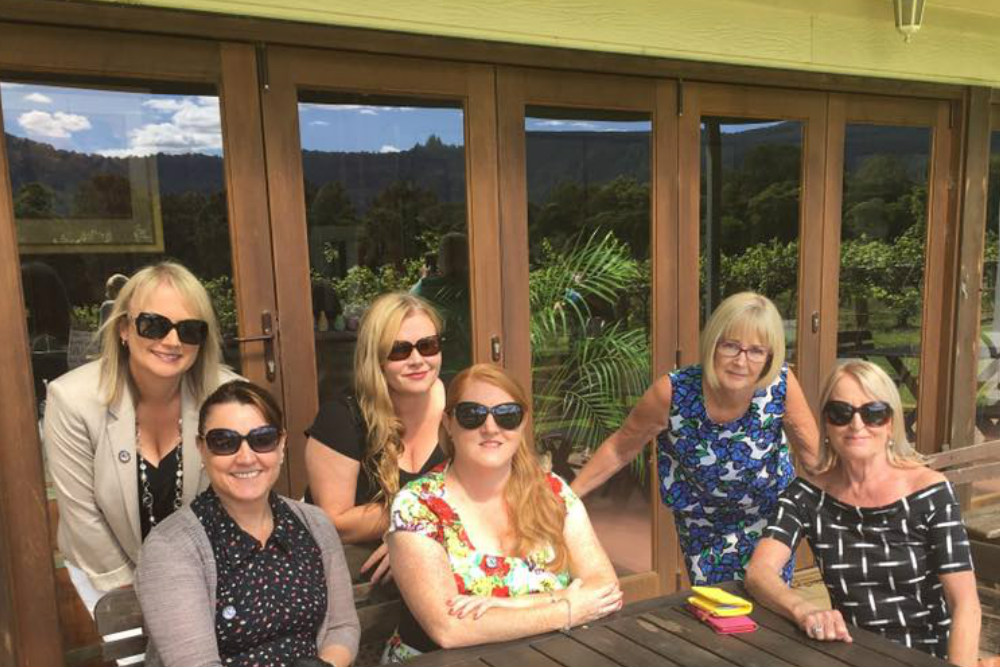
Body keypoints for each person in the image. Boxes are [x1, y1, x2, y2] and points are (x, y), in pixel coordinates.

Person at [571, 291, 819, 585]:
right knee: (718, 610)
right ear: (713, 344)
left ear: (769, 357)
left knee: (766, 601)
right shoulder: (674, 392)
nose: (741, 361)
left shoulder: (781, 386)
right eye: (731, 346)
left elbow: (813, 458)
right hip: (703, 527)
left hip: (769, 518)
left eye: (756, 351)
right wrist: (566, 497)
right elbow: (620, 448)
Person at [746, 360, 981, 666]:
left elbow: (964, 604)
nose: (857, 425)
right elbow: (759, 572)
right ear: (826, 425)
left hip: (927, 656)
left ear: (891, 423)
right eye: (841, 414)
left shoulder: (931, 492)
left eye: (873, 413)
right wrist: (803, 609)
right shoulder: (806, 497)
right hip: (851, 653)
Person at [385, 363, 622, 661]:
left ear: (522, 423)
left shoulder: (552, 491)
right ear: (448, 423)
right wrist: (567, 608)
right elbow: (450, 629)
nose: (490, 427)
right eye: (472, 415)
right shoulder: (418, 505)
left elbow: (605, 589)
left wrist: (509, 606)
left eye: (507, 415)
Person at [43, 261, 238, 611]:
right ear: (123, 329)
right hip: (108, 569)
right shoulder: (72, 400)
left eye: (190, 329)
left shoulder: (230, 397)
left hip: (204, 569)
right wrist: (140, 597)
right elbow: (83, 519)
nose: (172, 341)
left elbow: (239, 503)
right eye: (154, 325)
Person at [137, 381, 359, 667]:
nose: (245, 457)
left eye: (262, 439)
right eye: (224, 442)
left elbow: (343, 628)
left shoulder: (314, 524)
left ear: (281, 445)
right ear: (201, 449)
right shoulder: (171, 547)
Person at [305, 292, 447, 584]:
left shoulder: (462, 408)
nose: (418, 360)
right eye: (399, 350)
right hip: (362, 583)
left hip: (446, 567)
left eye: (428, 346)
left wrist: (420, 532)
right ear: (376, 357)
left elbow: (495, 493)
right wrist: (421, 518)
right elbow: (336, 522)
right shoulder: (341, 419)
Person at [411, 231, 472, 378]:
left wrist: (423, 280)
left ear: (441, 260)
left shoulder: (426, 289)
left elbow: (408, 304)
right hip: (469, 360)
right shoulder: (475, 286)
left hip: (437, 364)